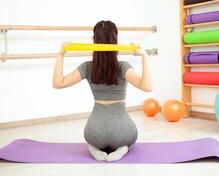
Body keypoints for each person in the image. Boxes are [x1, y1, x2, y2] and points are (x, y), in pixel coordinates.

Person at [53, 20, 152, 161]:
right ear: (115, 41)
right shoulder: (123, 66)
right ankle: (123, 149)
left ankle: (94, 148)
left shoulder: (87, 67)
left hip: (94, 132)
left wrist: (60, 55)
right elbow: (147, 87)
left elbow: (58, 83)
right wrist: (144, 56)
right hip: (122, 132)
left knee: (92, 140)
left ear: (94, 41)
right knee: (131, 138)